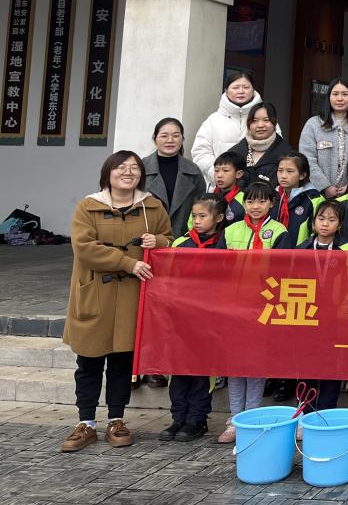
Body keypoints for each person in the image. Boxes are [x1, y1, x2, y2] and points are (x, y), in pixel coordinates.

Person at [61, 151, 173, 453]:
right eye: (121, 168)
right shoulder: (89, 206)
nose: (128, 172)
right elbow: (84, 248)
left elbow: (169, 238)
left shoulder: (152, 206)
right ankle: (86, 422)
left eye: (134, 168)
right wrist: (127, 263)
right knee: (88, 362)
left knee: (122, 363)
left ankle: (116, 420)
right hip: (95, 294)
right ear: (107, 173)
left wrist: (159, 242)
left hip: (132, 296)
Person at [219, 182, 291, 442]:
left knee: (256, 363)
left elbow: (283, 269)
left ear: (271, 203)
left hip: (264, 305)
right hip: (234, 305)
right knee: (235, 363)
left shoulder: (280, 231)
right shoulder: (231, 230)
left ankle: (252, 417)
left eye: (262, 201)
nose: (255, 206)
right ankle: (234, 420)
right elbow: (217, 267)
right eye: (250, 201)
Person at [162, 194, 226, 443]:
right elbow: (168, 277)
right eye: (194, 216)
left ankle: (197, 419)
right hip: (181, 318)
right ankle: (178, 417)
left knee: (202, 371)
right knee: (178, 369)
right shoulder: (181, 243)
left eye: (203, 216)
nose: (197, 221)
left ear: (218, 218)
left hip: (209, 319)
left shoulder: (224, 244)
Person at [296, 199, 348, 412]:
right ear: (313, 221)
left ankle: (328, 410)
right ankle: (305, 410)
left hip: (335, 317)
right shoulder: (302, 248)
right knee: (306, 364)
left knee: (332, 365)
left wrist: (345, 311)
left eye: (332, 220)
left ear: (340, 225)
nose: (325, 224)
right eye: (321, 218)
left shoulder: (347, 249)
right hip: (307, 316)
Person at [191, 71, 277, 186]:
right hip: (221, 189)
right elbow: (200, 152)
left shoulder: (267, 119)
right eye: (235, 87)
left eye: (246, 87)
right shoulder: (213, 121)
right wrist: (219, 174)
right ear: (226, 90)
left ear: (253, 90)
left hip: (257, 190)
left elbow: (276, 150)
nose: (241, 91)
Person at [299, 77, 348, 200]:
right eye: (335, 94)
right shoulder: (313, 124)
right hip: (317, 194)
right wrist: (325, 186)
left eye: (345, 94)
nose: (340, 98)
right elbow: (307, 159)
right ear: (329, 97)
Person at [143, 117, 204, 239]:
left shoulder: (193, 171)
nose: (170, 140)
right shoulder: (141, 168)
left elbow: (201, 205)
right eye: (164, 136)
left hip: (183, 238)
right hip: (148, 237)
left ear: (182, 139)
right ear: (155, 138)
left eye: (176, 136)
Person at [230, 102, 293, 189]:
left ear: (275, 123)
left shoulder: (287, 154)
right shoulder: (234, 152)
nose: (260, 125)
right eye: (254, 121)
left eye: (266, 120)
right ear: (248, 124)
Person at [272, 152, 319, 247]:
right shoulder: (271, 196)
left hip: (300, 253)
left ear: (302, 175)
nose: (283, 176)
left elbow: (317, 234)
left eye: (289, 171)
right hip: (271, 252)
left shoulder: (313, 199)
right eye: (280, 170)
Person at [210, 151, 247, 227]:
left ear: (239, 174)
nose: (219, 175)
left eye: (225, 170)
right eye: (216, 170)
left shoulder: (245, 200)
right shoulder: (208, 197)